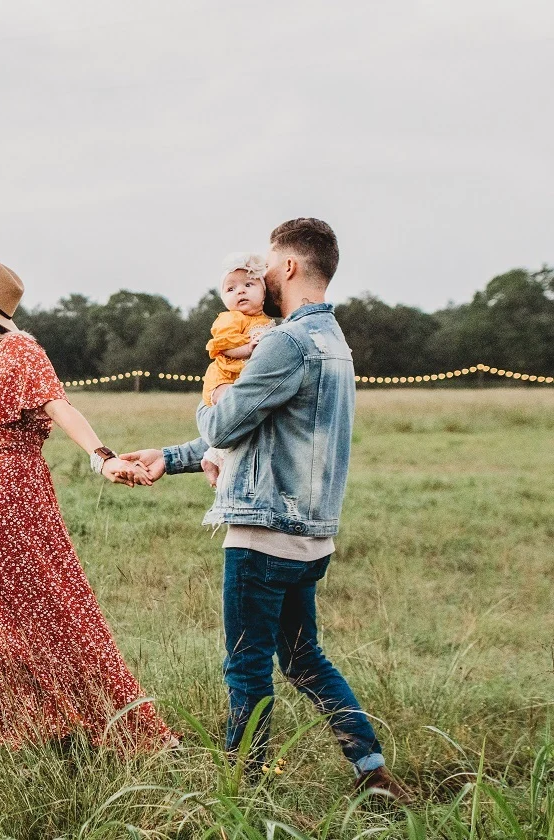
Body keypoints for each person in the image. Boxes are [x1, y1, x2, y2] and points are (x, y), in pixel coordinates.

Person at [121, 219, 412, 801]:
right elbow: (264, 432)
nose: (260, 276)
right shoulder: (334, 342)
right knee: (304, 658)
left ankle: (242, 789)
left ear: (291, 267)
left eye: (269, 264)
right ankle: (372, 771)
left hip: (263, 533)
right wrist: (171, 457)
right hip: (311, 536)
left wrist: (210, 398)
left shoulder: (284, 341)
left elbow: (227, 422)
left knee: (245, 664)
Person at [0, 257, 175, 748]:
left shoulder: (20, 350)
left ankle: (66, 720)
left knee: (44, 607)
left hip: (9, 495)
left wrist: (102, 457)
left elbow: (60, 405)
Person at [201, 253, 275, 468]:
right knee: (231, 410)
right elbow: (225, 346)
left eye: (248, 284)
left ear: (264, 292)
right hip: (224, 377)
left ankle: (216, 457)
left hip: (242, 378)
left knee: (243, 417)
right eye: (230, 289)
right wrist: (247, 348)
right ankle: (216, 456)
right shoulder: (231, 318)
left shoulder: (266, 321)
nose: (240, 291)